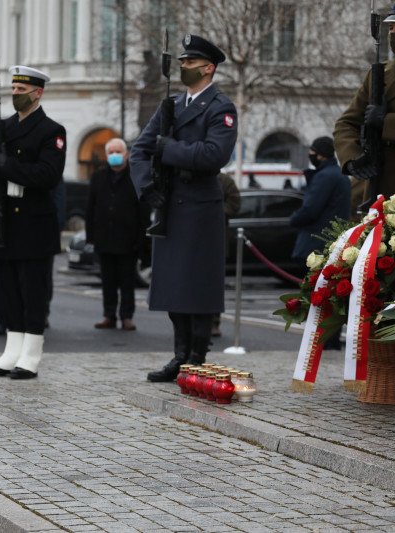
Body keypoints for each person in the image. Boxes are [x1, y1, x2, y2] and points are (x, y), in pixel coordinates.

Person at [130, 34, 238, 383]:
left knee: (198, 289)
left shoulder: (221, 107)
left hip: (200, 208)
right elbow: (140, 150)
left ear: (208, 68)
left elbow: (214, 155)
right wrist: (146, 186)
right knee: (173, 287)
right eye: (182, 62)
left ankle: (196, 356)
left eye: (190, 62)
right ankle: (179, 355)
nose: (183, 66)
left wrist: (169, 149)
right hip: (169, 207)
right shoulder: (172, 105)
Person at [0, 65, 66, 380]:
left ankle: (31, 355)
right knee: (8, 290)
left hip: (35, 224)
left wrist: (8, 165)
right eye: (12, 89)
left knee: (33, 292)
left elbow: (48, 175)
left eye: (21, 90)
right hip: (4, 222)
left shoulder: (52, 131)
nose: (15, 94)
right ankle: (12, 351)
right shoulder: (2, 127)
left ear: (38, 93)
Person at [334, 0, 395, 209]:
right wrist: (352, 158)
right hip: (377, 187)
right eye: (391, 27)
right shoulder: (379, 72)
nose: (393, 33)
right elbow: (346, 123)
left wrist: (386, 122)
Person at [86, 138, 143, 332]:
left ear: (126, 154)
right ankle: (109, 315)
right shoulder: (98, 177)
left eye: (118, 151)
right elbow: (90, 208)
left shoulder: (135, 177)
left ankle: (127, 316)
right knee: (108, 281)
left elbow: (142, 211)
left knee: (127, 281)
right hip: (104, 237)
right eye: (111, 152)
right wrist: (91, 236)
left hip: (128, 238)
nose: (114, 155)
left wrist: (140, 239)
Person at [290, 136, 351, 264]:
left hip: (316, 243)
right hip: (332, 240)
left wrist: (294, 219)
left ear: (320, 155)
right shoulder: (340, 174)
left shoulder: (323, 176)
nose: (309, 154)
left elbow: (310, 210)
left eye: (312, 151)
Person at [213, 172, 241, 337]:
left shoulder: (225, 181)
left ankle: (214, 322)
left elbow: (234, 204)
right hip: (195, 238)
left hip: (217, 238)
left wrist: (213, 210)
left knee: (215, 285)